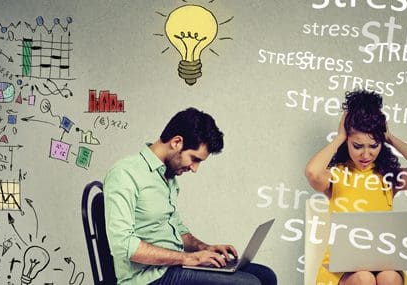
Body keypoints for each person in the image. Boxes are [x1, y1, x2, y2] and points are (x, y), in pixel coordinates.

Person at [103, 107, 277, 285]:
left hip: (174, 267)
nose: (194, 169)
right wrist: (189, 259)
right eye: (194, 159)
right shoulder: (124, 173)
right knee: (248, 284)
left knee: (266, 276)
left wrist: (205, 248)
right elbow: (122, 244)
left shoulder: (167, 177)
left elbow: (178, 231)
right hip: (147, 278)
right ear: (177, 142)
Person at [305, 90, 407, 285]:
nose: (366, 154)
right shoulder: (337, 175)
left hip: (383, 262)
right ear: (347, 142)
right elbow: (313, 173)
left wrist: (390, 137)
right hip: (344, 270)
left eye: (373, 145)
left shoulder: (387, 177)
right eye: (358, 146)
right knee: (364, 278)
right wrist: (340, 136)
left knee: (389, 277)